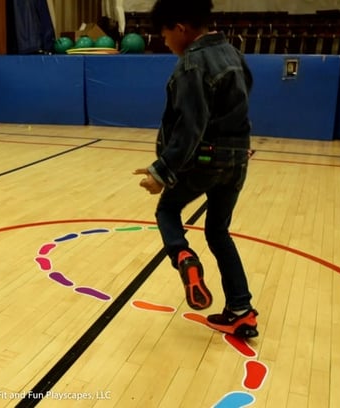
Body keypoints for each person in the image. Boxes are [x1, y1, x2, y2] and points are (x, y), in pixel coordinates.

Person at [134, 0, 258, 338]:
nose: (166, 43)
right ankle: (241, 311)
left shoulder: (192, 64)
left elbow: (191, 126)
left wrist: (161, 172)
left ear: (180, 28)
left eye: (164, 35)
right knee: (219, 232)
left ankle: (184, 257)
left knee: (167, 211)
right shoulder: (233, 53)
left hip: (204, 159)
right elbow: (244, 94)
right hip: (237, 160)